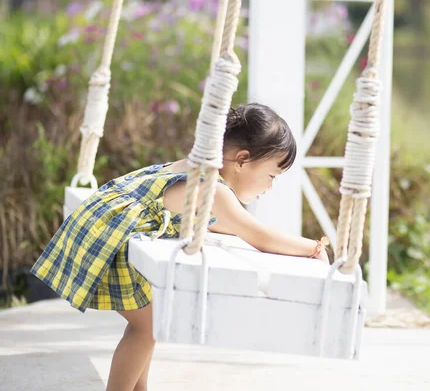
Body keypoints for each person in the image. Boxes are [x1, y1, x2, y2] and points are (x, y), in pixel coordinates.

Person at [30, 103, 330, 391]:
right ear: (241, 160)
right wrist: (314, 247)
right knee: (148, 327)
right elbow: (258, 236)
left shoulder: (197, 168)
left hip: (102, 225)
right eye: (272, 176)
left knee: (149, 324)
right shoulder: (212, 188)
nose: (270, 187)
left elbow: (224, 224)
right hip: (111, 237)